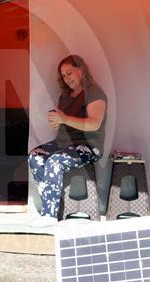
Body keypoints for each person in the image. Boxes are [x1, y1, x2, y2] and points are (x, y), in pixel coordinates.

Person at [28, 55, 107, 226]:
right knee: (35, 156)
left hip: (88, 146)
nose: (66, 78)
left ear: (81, 70)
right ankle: (51, 204)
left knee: (55, 161)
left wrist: (64, 119)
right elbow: (63, 123)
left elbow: (94, 124)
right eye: (63, 76)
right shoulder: (65, 96)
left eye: (69, 73)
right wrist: (57, 122)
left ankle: (49, 215)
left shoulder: (95, 93)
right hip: (63, 144)